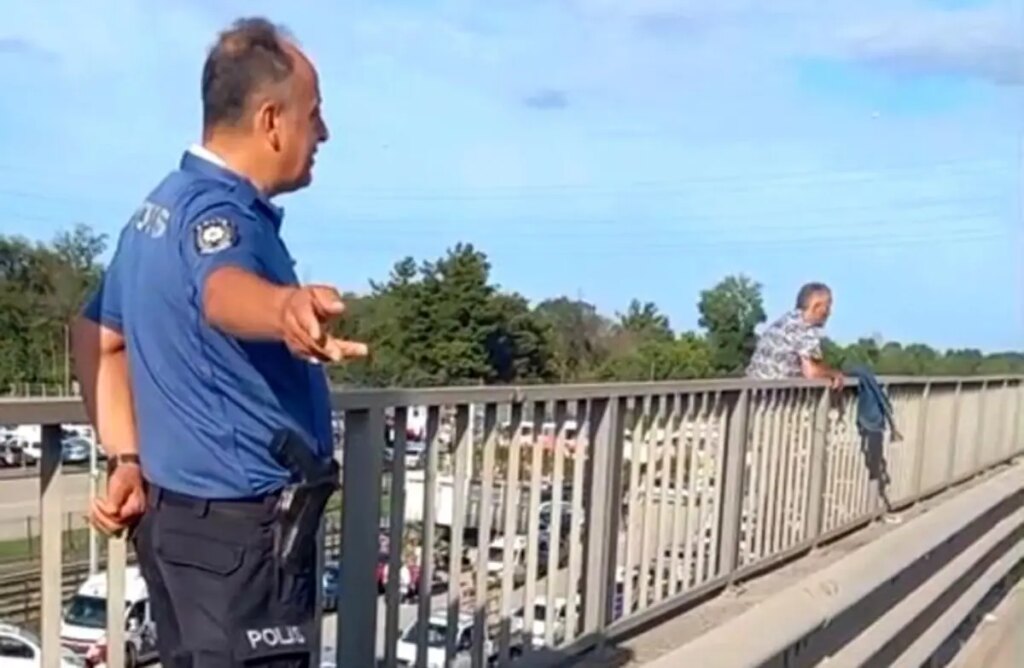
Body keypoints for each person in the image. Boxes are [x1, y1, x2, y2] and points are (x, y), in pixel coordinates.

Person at [70, 17, 366, 667]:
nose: (323, 133)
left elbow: (96, 335)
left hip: (182, 530)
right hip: (241, 545)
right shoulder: (221, 215)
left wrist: (126, 459)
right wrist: (285, 308)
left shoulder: (160, 208)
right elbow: (222, 292)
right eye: (314, 114)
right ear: (271, 121)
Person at [746, 282, 844, 389]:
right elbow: (811, 372)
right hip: (775, 394)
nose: (829, 313)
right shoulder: (805, 327)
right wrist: (834, 374)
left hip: (752, 392)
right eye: (827, 307)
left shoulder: (787, 321)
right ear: (816, 306)